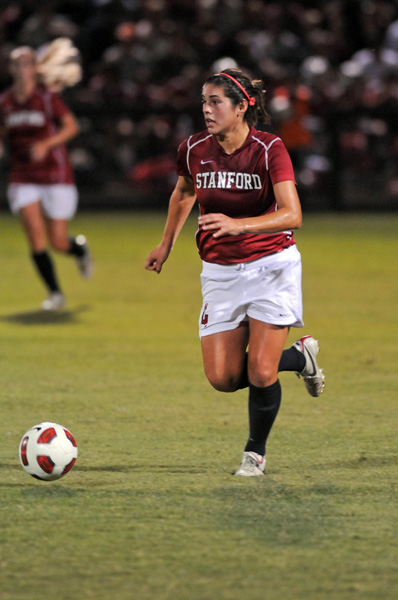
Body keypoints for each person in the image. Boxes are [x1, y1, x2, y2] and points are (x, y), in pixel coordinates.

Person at [145, 67, 325, 477]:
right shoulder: (193, 148)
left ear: (242, 107)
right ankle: (299, 358)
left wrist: (240, 224)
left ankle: (254, 454)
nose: (207, 110)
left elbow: (292, 214)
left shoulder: (268, 148)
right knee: (223, 378)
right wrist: (165, 245)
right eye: (204, 102)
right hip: (220, 271)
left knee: (261, 371)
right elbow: (185, 191)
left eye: (216, 102)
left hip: (271, 266)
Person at [0, 43, 93, 311]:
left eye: (27, 63)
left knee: (58, 241)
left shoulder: (47, 97)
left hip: (54, 173)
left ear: (34, 69)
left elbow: (71, 127)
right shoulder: (5, 101)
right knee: (36, 238)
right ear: (11, 69)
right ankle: (55, 293)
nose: (22, 68)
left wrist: (46, 145)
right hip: (22, 175)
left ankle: (79, 249)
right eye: (17, 63)